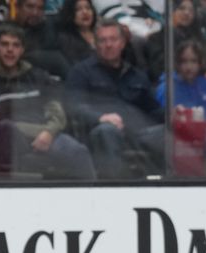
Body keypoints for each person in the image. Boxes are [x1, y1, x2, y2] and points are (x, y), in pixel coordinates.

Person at [0, 23, 96, 179]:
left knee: (77, 151)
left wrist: (48, 132)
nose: (10, 50)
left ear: (22, 50)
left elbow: (58, 114)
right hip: (13, 137)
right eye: (4, 44)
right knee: (8, 131)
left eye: (16, 45)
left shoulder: (38, 76)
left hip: (47, 133)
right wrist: (38, 132)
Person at [65, 18, 164, 179]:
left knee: (165, 133)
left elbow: (152, 109)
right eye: (103, 40)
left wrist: (174, 114)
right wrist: (100, 118)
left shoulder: (136, 75)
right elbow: (73, 105)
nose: (108, 45)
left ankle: (166, 188)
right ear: (95, 44)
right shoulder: (81, 72)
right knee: (106, 131)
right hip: (100, 132)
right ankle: (112, 189)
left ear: (122, 43)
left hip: (137, 133)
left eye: (113, 39)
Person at [145, 0, 206, 83]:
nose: (187, 13)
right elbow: (158, 70)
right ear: (171, 11)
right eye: (182, 8)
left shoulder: (199, 38)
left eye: (191, 10)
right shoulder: (156, 39)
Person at [155, 39, 206, 119]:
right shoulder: (166, 88)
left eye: (194, 61)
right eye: (184, 61)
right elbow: (160, 116)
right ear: (177, 63)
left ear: (200, 63)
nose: (189, 67)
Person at [12, 0, 70, 78]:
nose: (35, 13)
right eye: (30, 7)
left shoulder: (51, 31)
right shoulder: (5, 32)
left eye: (40, 8)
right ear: (17, 7)